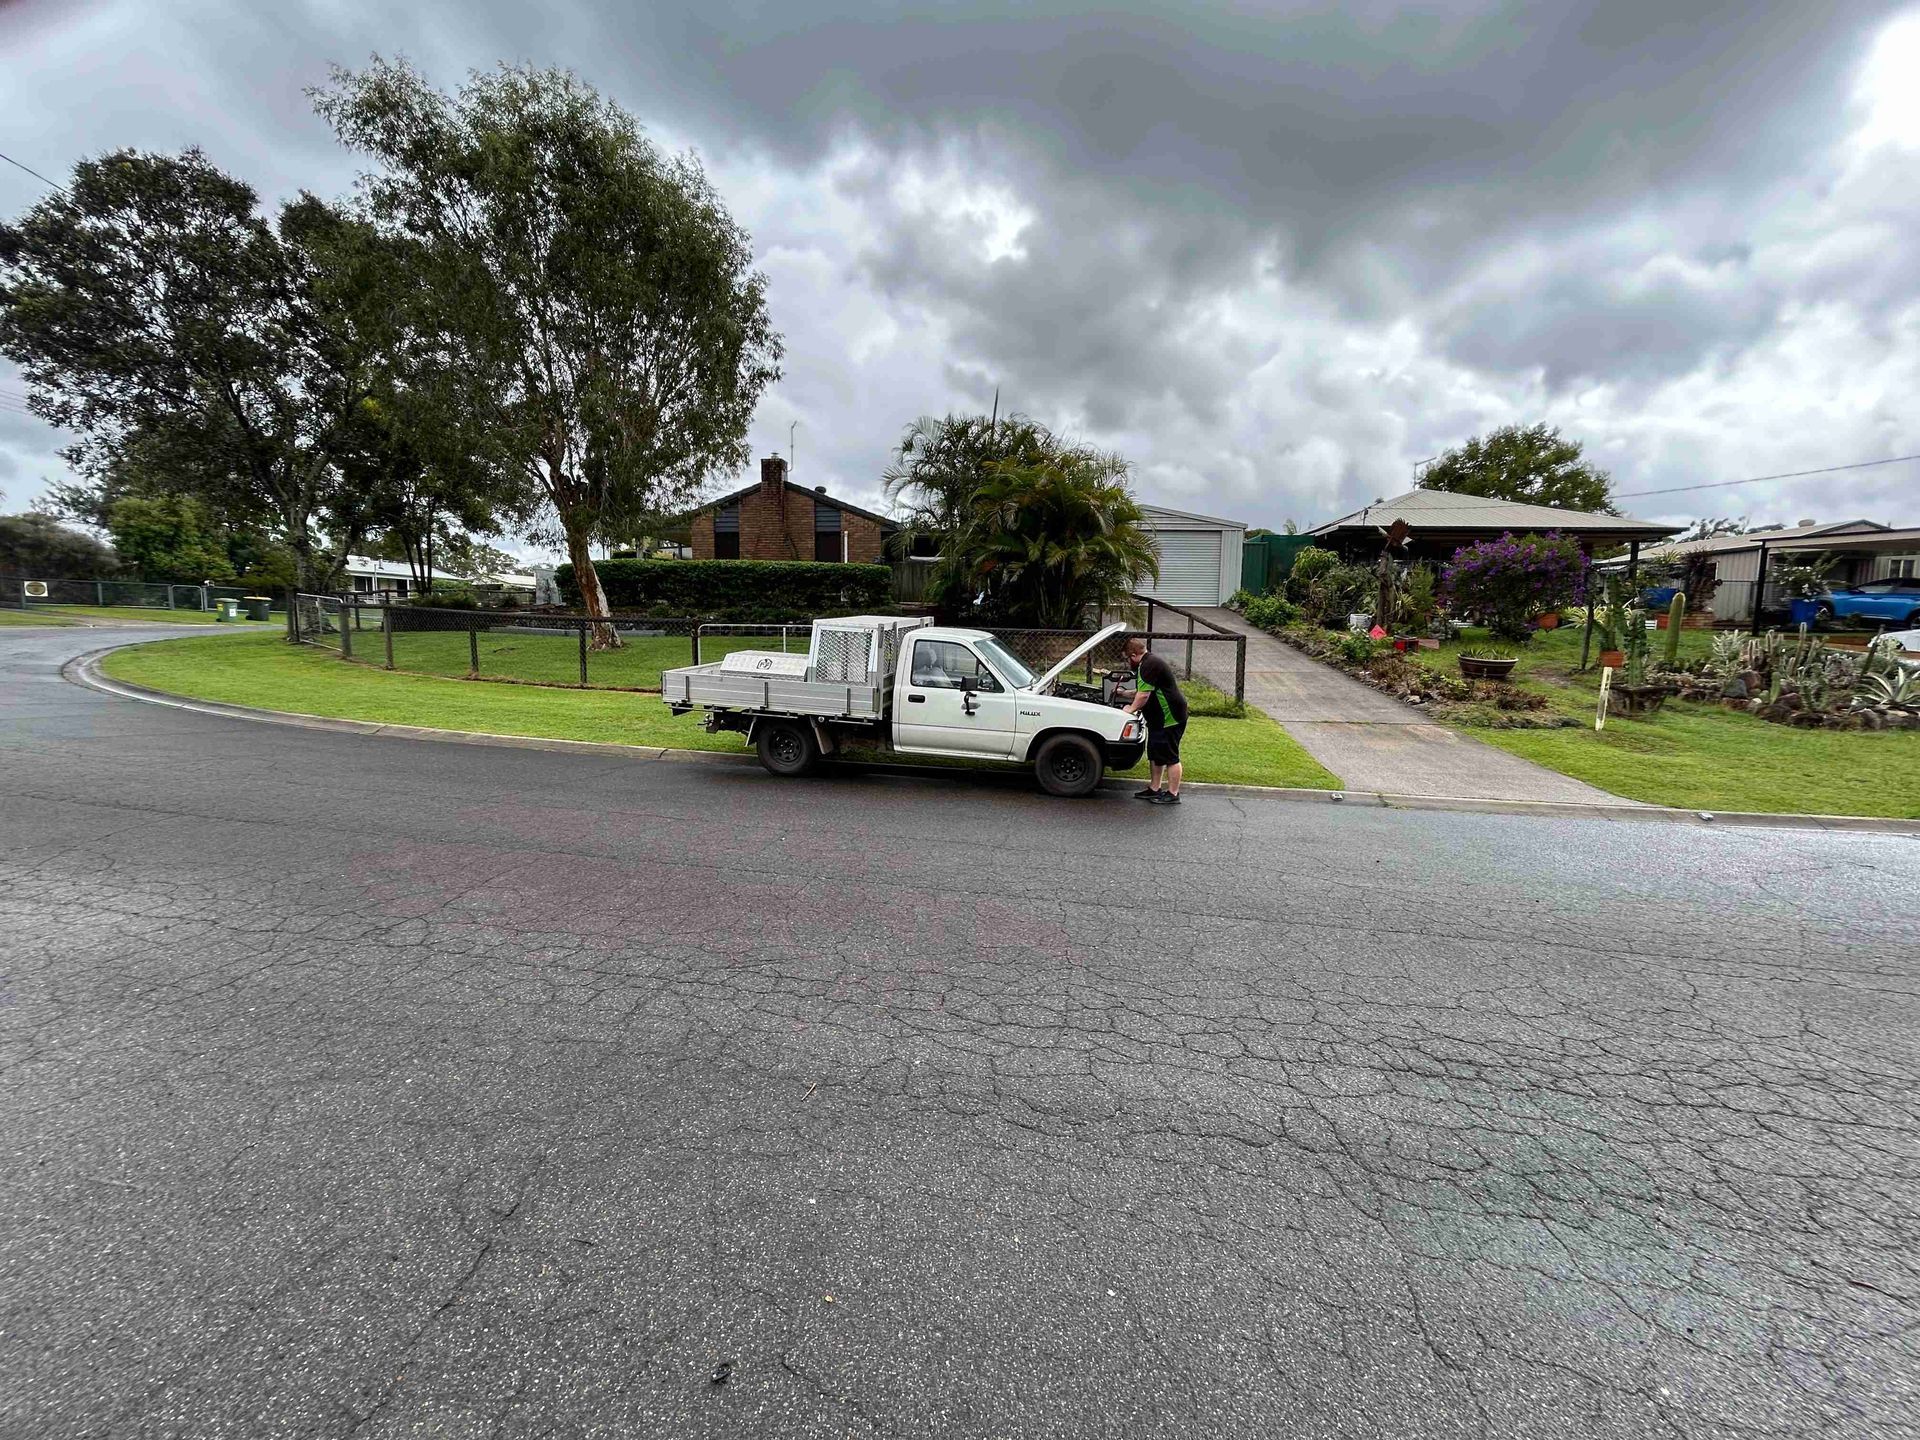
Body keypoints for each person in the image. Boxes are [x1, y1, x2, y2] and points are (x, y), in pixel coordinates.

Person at [1119, 633, 1188, 804]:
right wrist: (1123, 694)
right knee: (1156, 754)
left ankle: (1173, 794)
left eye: (1128, 659)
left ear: (1134, 655)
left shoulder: (1148, 665)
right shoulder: (1148, 663)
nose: (1128, 662)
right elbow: (1143, 690)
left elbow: (1143, 696)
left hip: (1170, 716)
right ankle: (1154, 789)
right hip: (1158, 719)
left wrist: (1131, 709)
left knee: (1170, 755)